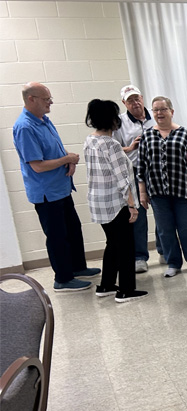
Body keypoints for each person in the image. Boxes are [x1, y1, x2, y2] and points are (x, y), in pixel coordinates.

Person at [12, 82, 101, 292]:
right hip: (47, 193)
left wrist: (68, 158)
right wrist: (66, 159)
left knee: (73, 230)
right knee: (57, 237)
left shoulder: (43, 120)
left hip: (61, 188)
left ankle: (77, 267)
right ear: (31, 99)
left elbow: (51, 151)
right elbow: (37, 166)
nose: (50, 102)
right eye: (46, 99)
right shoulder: (25, 127)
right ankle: (63, 279)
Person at [83, 99, 149, 303]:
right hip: (116, 203)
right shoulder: (112, 145)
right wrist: (132, 206)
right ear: (111, 119)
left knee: (112, 243)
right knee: (126, 246)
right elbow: (123, 180)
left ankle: (107, 285)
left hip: (99, 202)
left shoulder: (90, 140)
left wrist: (126, 149)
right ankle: (126, 290)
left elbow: (108, 161)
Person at [137, 96, 187, 278]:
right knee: (165, 230)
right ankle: (173, 263)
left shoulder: (185, 134)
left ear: (171, 112)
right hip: (157, 193)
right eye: (156, 110)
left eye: (163, 109)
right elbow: (141, 165)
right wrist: (142, 192)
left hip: (182, 191)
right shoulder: (147, 135)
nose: (159, 113)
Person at [112, 85, 160, 273]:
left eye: (137, 98)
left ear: (142, 98)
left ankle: (165, 250)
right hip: (133, 171)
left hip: (156, 171)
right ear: (124, 103)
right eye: (130, 100)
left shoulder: (155, 117)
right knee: (138, 216)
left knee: (162, 213)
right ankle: (140, 257)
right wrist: (130, 147)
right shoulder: (119, 123)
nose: (135, 103)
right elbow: (113, 149)